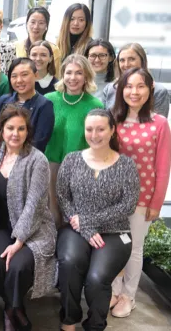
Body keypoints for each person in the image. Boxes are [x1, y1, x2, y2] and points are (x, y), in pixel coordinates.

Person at [57, 109, 139, 331]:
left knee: (96, 278)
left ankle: (95, 324)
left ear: (112, 131)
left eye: (101, 129)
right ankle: (68, 320)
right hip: (75, 231)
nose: (94, 134)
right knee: (69, 264)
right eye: (89, 129)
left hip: (114, 232)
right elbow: (63, 197)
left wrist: (88, 221)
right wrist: (82, 226)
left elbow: (128, 205)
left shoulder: (126, 165)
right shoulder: (71, 160)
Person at [0, 106, 56, 331]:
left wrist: (19, 241)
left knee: (18, 265)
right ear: (1, 130)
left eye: (21, 129)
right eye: (10, 128)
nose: (15, 133)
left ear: (27, 131)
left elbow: (34, 205)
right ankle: (11, 305)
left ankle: (12, 310)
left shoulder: (37, 160)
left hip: (33, 228)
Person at [109, 68, 171, 318]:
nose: (134, 92)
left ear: (150, 90)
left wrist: (156, 203)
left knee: (134, 248)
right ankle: (113, 289)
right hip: (112, 198)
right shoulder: (112, 119)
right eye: (129, 86)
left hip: (143, 198)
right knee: (113, 246)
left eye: (140, 86)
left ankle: (129, 295)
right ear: (121, 90)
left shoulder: (159, 123)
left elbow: (163, 166)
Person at [44, 54, 103, 227]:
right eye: (68, 73)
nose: (73, 78)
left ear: (86, 76)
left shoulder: (94, 105)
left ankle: (71, 248)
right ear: (62, 75)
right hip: (50, 164)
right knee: (51, 212)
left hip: (80, 167)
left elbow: (98, 140)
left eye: (78, 73)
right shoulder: (49, 100)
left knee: (73, 214)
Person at [0, 58, 55, 152]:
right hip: (2, 155)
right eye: (14, 76)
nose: (19, 80)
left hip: (30, 159)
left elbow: (39, 142)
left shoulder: (44, 105)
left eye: (24, 75)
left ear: (36, 75)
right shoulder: (4, 101)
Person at [102, 43, 169, 118]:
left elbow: (159, 126)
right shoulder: (109, 89)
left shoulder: (158, 91)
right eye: (122, 60)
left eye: (131, 59)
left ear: (142, 61)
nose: (126, 64)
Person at [15, 7, 62, 77]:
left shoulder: (54, 50)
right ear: (27, 23)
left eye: (41, 23)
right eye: (33, 22)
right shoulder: (17, 46)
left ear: (46, 26)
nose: (36, 26)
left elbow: (56, 77)